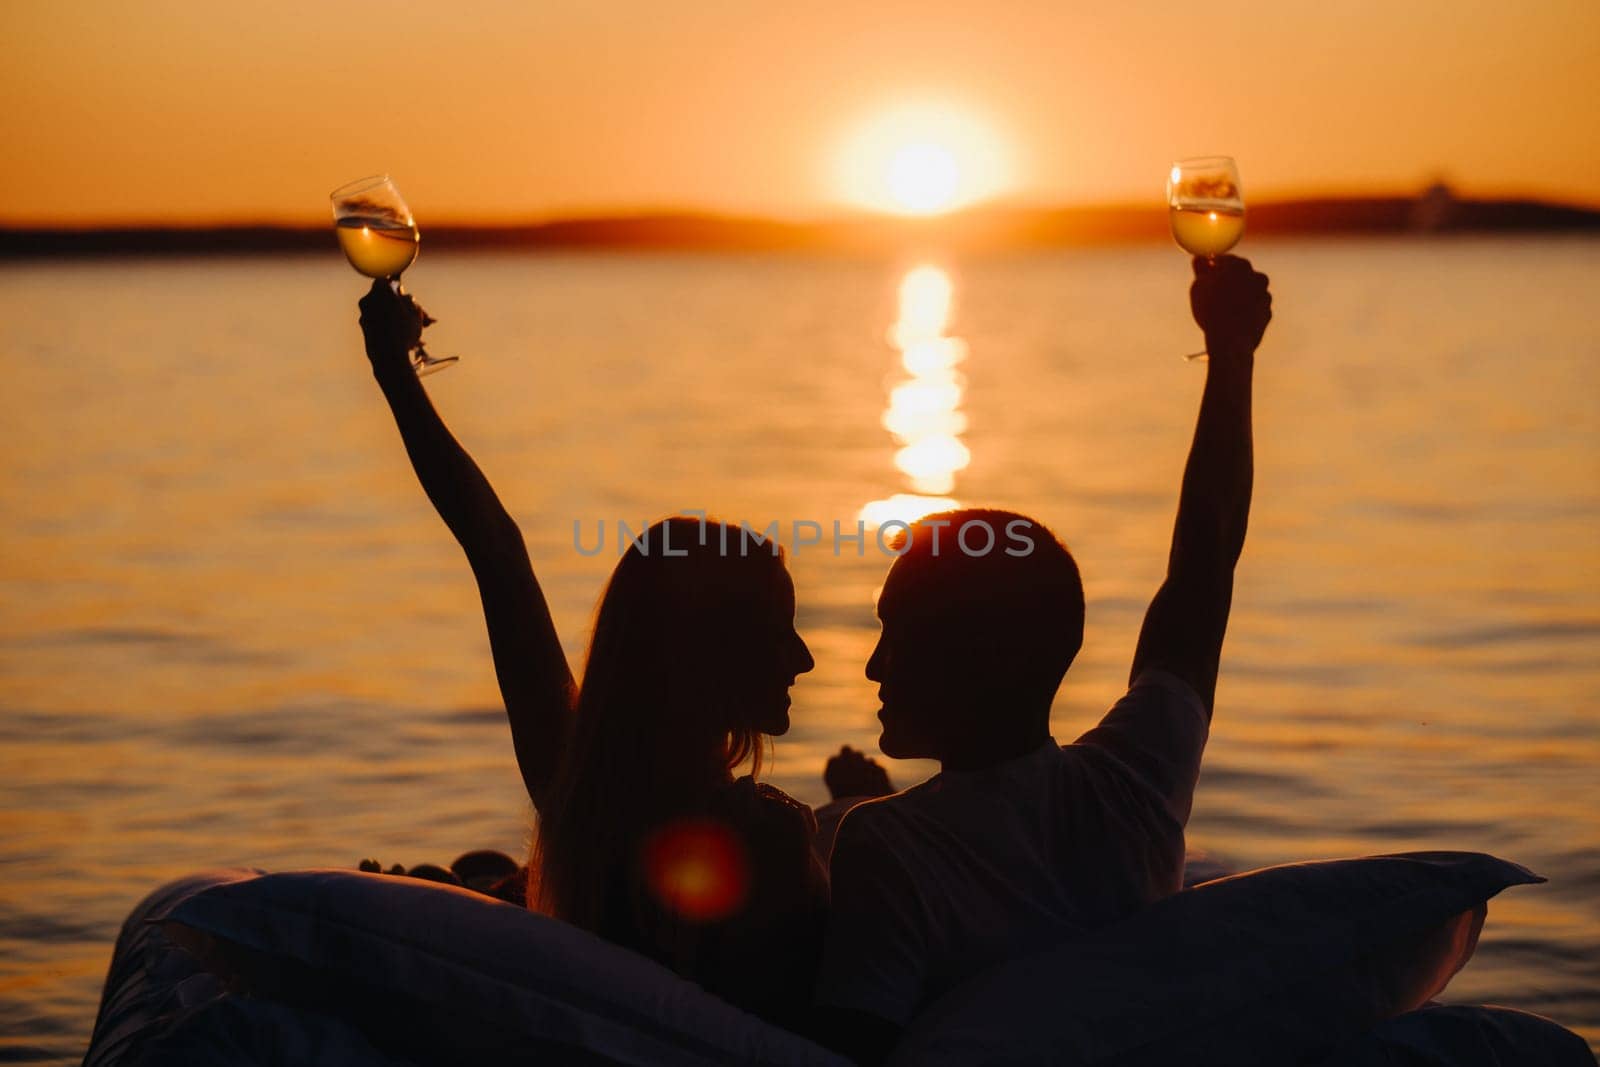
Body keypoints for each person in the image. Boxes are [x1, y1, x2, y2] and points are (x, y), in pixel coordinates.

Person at [813, 255, 1272, 1062]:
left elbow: (851, 1048)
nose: (875, 667)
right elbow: (1205, 565)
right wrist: (1232, 355)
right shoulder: (1137, 784)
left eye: (900, 633)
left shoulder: (886, 847)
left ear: (981, 657)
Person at [356, 283, 848, 1027]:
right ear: (708, 653)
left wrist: (393, 374)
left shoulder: (577, 792)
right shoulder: (766, 839)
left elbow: (497, 552)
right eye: (778, 631)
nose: (805, 658)